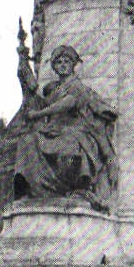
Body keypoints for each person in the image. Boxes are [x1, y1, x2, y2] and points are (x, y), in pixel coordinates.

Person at [13, 45, 117, 209]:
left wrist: (38, 114)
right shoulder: (52, 89)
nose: (62, 65)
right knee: (28, 140)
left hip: (75, 130)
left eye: (66, 61)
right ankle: (34, 189)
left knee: (68, 146)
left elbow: (67, 103)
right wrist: (24, 67)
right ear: (54, 66)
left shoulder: (77, 86)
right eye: (59, 62)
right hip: (53, 131)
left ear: (73, 64)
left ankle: (75, 188)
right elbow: (36, 95)